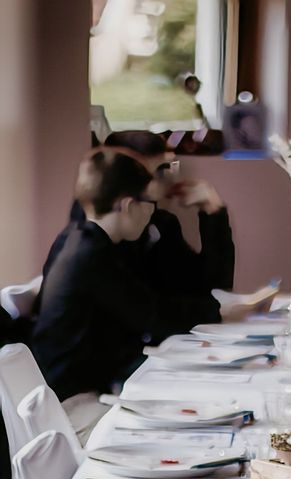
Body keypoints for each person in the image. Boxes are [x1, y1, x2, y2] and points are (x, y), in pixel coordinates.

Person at [32, 147, 203, 401]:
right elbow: (152, 316)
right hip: (72, 402)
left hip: (83, 386)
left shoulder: (80, 239)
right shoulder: (92, 256)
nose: (152, 213)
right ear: (128, 205)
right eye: (149, 204)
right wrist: (218, 312)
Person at [35, 131, 234, 336]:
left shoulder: (161, 224)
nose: (172, 180)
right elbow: (147, 314)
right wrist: (218, 310)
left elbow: (211, 288)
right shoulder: (92, 242)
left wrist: (213, 212)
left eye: (171, 168)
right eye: (161, 171)